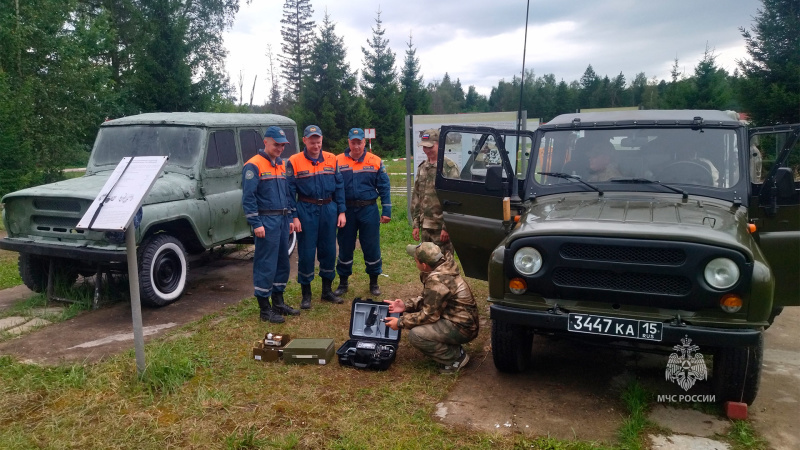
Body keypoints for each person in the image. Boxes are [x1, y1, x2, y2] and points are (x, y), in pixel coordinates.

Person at [383, 242, 479, 374]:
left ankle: (456, 359)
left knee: (417, 335)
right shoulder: (443, 269)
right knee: (421, 329)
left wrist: (400, 322)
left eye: (415, 260)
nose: (414, 262)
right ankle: (453, 348)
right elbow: (430, 300)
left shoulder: (438, 280)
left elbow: (428, 315)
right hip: (461, 322)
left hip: (463, 328)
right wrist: (406, 306)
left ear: (424, 265)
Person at [241, 126, 301, 323]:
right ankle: (264, 309)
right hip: (266, 221)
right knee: (266, 263)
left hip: (283, 220)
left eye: (283, 145)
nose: (280, 148)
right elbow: (249, 198)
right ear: (265, 142)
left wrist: (291, 217)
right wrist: (256, 223)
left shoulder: (282, 164)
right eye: (276, 144)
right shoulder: (253, 166)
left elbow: (288, 194)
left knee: (282, 262)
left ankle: (278, 301)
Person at [286, 125, 346, 309]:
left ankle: (327, 291)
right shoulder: (294, 161)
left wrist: (341, 211)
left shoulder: (332, 159)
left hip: (329, 209)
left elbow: (339, 186)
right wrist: (294, 217)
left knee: (329, 251)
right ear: (304, 140)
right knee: (306, 253)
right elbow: (289, 192)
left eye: (318, 141)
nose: (316, 145)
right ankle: (306, 294)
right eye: (312, 141)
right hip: (306, 209)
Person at [334, 128, 392, 297]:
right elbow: (334, 188)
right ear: (348, 142)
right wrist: (337, 211)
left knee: (371, 246)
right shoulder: (337, 161)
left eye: (359, 142)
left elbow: (384, 187)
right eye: (353, 142)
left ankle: (374, 282)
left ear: (364, 142)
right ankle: (343, 282)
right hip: (347, 210)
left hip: (369, 209)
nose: (356, 145)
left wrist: (386, 210)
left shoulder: (375, 161)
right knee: (345, 246)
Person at [411, 128, 460, 257]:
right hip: (425, 226)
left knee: (443, 264)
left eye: (430, 147)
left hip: (440, 228)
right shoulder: (423, 167)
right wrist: (416, 224)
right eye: (424, 147)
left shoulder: (449, 168)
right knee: (426, 261)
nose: (426, 150)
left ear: (440, 144)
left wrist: (447, 227)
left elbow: (454, 200)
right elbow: (416, 196)